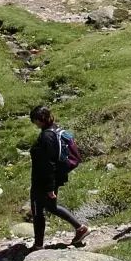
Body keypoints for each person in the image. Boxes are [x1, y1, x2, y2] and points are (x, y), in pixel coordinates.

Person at [27, 105, 87, 251]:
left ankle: (38, 245)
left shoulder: (47, 136)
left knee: (37, 210)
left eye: (35, 120)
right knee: (51, 207)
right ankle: (80, 228)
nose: (34, 123)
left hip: (43, 181)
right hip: (51, 179)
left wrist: (49, 188)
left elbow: (49, 163)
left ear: (40, 119)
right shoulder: (55, 129)